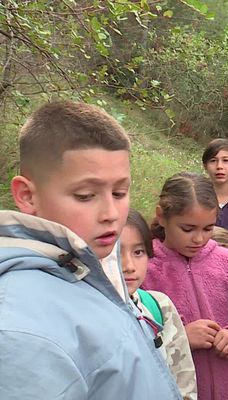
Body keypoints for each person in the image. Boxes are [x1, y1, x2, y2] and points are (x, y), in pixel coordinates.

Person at [0, 101, 182, 399]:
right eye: (85, 196)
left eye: (120, 192)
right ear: (26, 195)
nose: (111, 213)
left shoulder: (91, 264)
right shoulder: (19, 333)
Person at [142, 172, 228, 400]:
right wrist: (181, 338)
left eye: (208, 228)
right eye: (188, 229)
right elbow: (135, 339)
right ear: (162, 217)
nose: (199, 239)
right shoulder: (145, 269)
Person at [121, 209, 197, 400]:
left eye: (138, 252)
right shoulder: (82, 316)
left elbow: (184, 384)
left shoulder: (159, 306)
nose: (128, 265)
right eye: (116, 253)